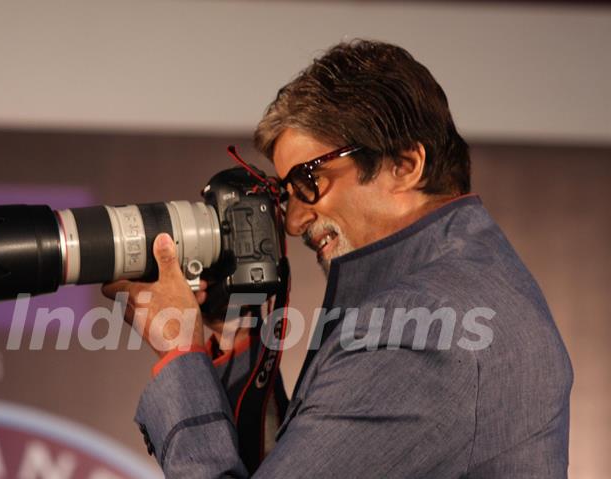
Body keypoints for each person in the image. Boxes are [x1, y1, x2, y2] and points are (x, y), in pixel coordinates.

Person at [102, 40, 573, 478]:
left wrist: (181, 353)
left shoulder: (424, 330)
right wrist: (233, 348)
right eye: (286, 192)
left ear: (406, 165)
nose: (293, 220)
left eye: (309, 180)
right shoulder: (460, 281)